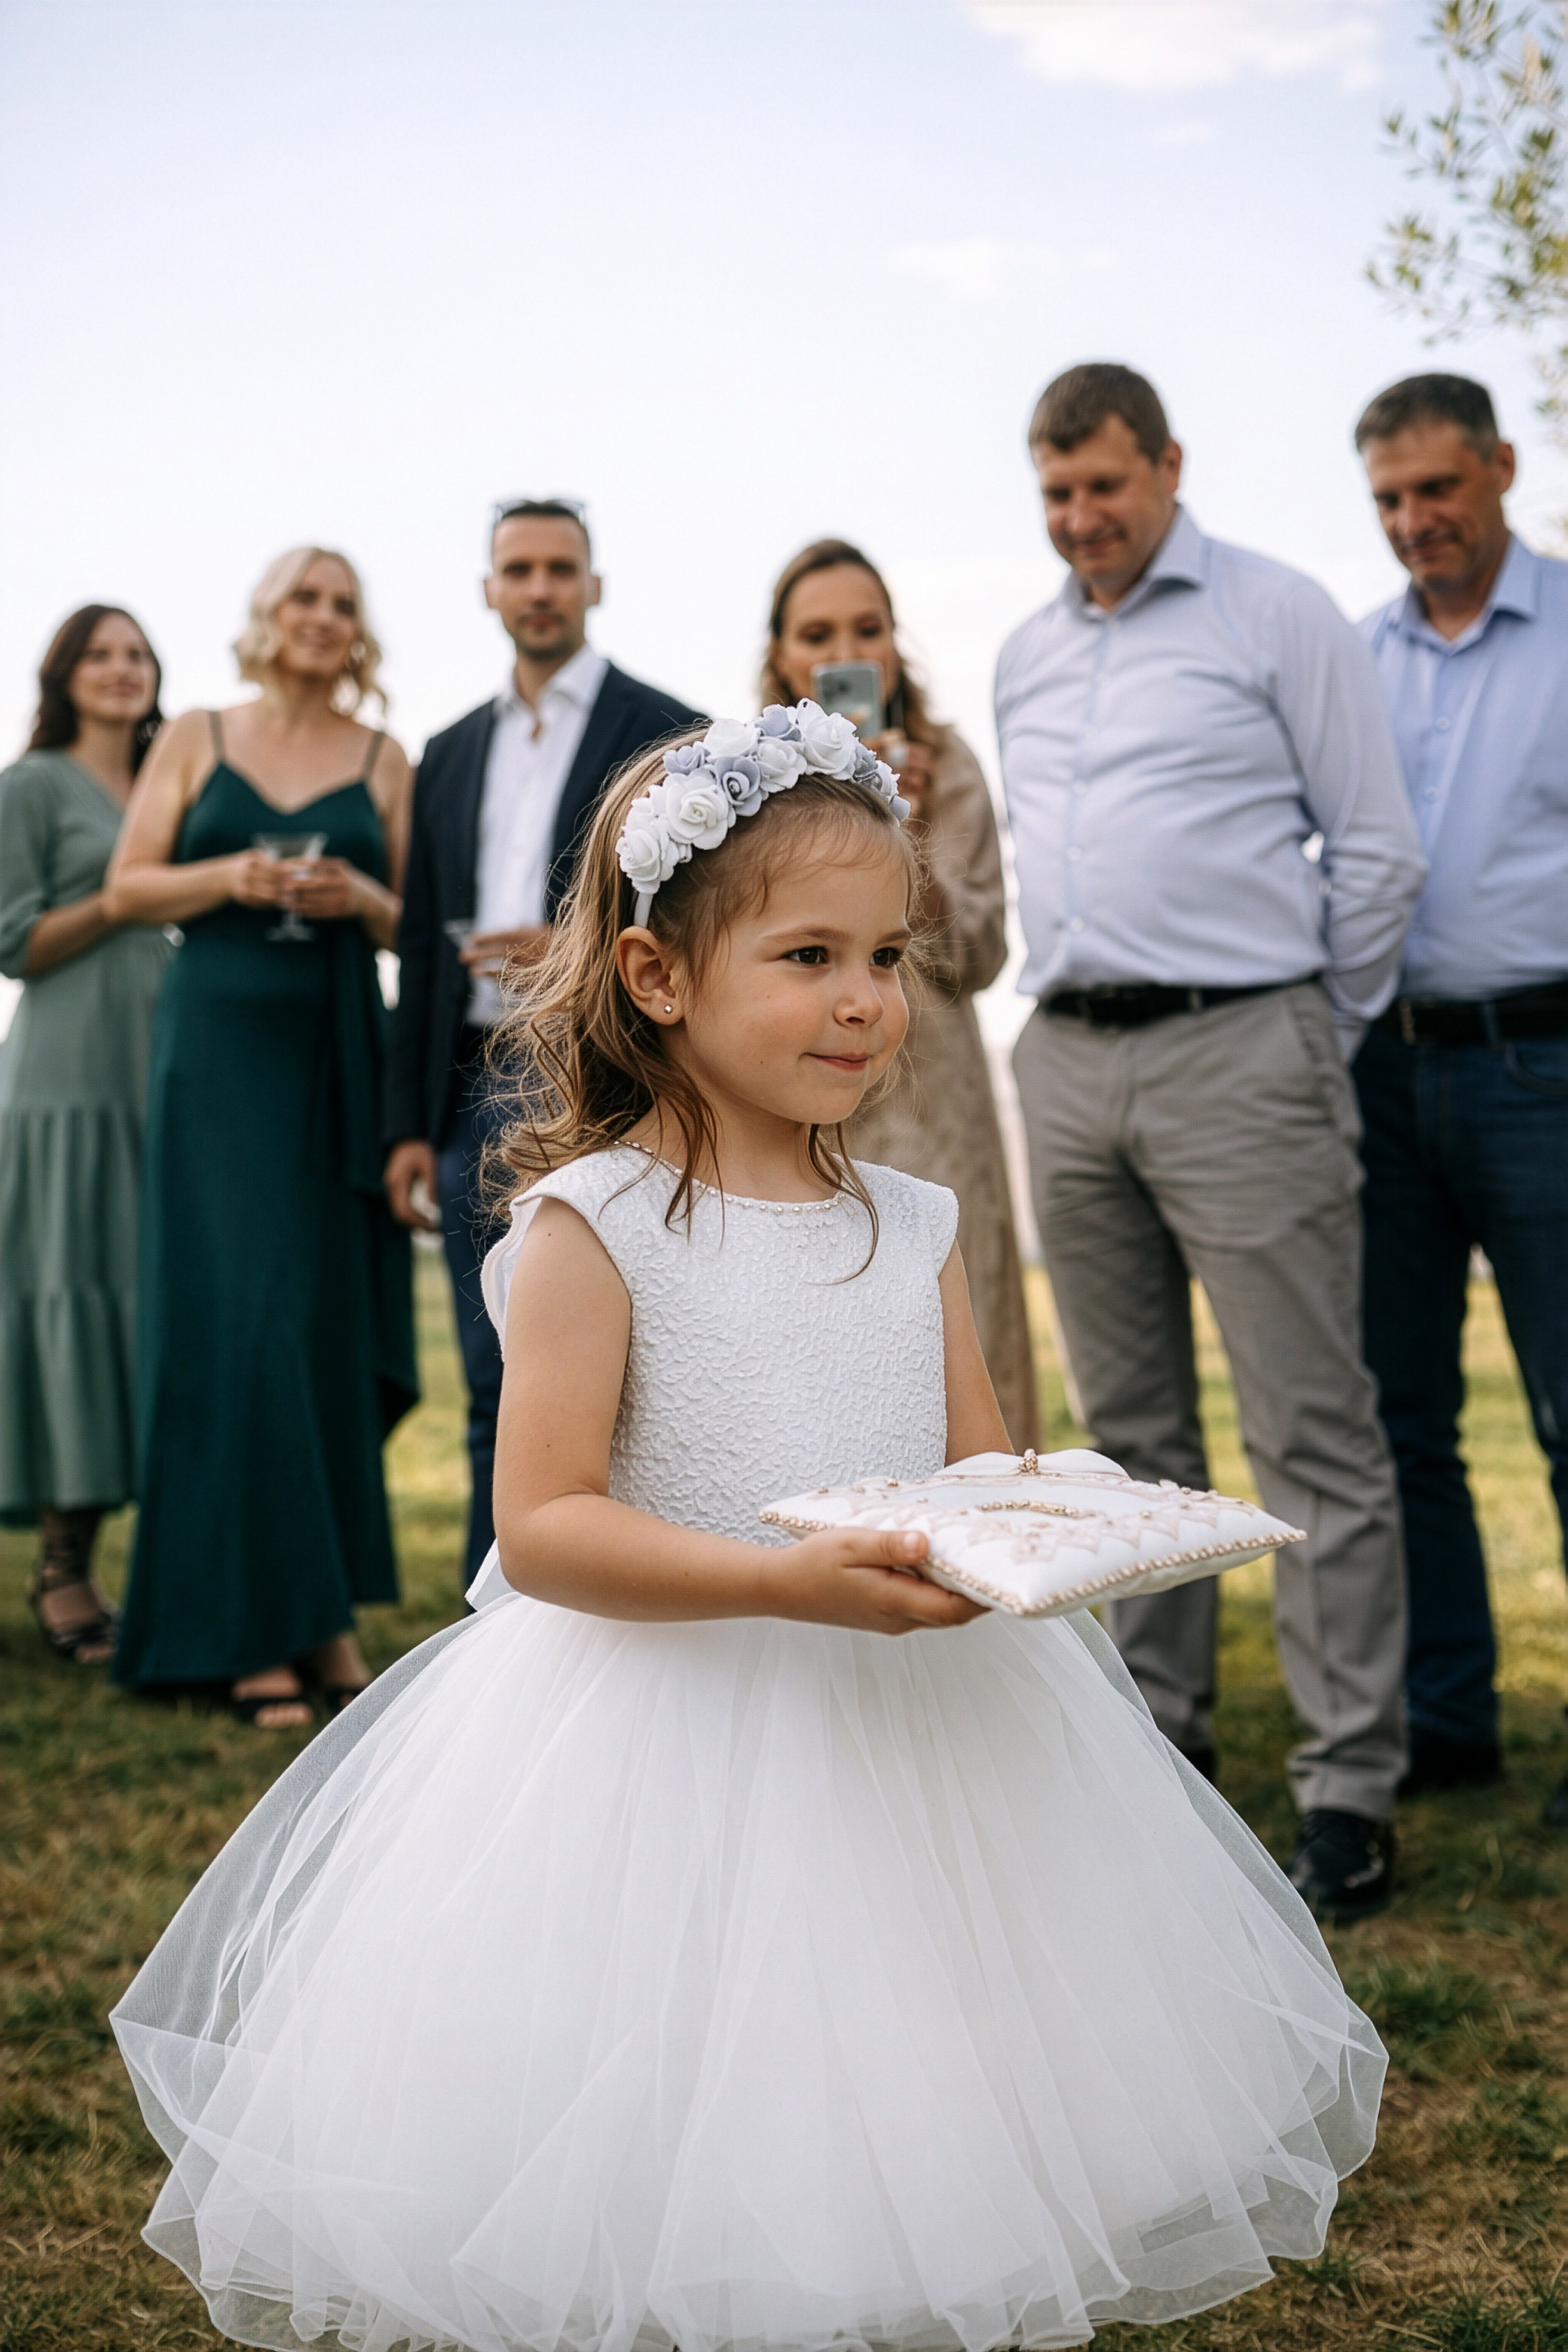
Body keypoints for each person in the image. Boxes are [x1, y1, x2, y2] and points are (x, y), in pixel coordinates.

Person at [113, 701, 1383, 2352]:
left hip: (924, 1734)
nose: (864, 998)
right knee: (694, 2116)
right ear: (658, 977)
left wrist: (1058, 1516)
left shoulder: (908, 1220)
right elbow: (549, 1526)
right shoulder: (598, 1223)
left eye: (886, 956)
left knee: (923, 2089)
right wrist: (785, 1584)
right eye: (806, 956)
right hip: (663, 1741)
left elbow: (970, 1467)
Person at [997, 361, 1429, 1922]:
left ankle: (1346, 1790)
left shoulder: (1275, 609)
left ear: (1166, 466)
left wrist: (1310, 1023)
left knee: (1309, 1430)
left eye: (1103, 487)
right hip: (1067, 1056)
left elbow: (1373, 848)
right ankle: (1157, 1759)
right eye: (1054, 495)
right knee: (1125, 1444)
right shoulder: (1024, 653)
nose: (1079, 519)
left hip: (1245, 1045)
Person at [105, 547, 419, 1728]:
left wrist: (363, 902)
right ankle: (249, 1635)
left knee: (318, 1323)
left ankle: (322, 1620)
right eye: (304, 597)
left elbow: (416, 926)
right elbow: (129, 886)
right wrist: (230, 872)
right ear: (266, 616)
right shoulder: (197, 733)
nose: (323, 617)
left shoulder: (388, 760)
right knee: (238, 1323)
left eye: (344, 602)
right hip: (218, 1058)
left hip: (337, 1056)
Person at [385, 498, 701, 1587]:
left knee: (634, 1379)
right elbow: (424, 953)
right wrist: (410, 1127)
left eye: (559, 568)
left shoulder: (667, 728)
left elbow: (698, 914)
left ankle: (624, 1590)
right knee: (491, 1373)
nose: (538, 587)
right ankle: (499, 1634)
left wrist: (570, 945)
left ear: (593, 584)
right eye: (517, 568)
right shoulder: (446, 751)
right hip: (478, 1089)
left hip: (609, 1073)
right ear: (489, 589)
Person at [1354, 374, 1568, 1827]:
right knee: (1401, 1414)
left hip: (1541, 1063)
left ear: (1497, 466)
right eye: (1385, 500)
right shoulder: (1352, 653)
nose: (1412, 522)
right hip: (1381, 1068)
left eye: (1435, 489)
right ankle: (1447, 1716)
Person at [761, 538, 1038, 1449]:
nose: (846, 651)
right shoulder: (746, 779)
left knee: (964, 1337)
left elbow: (979, 954)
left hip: (932, 1098)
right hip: (798, 1101)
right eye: (818, 632)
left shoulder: (945, 763)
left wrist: (905, 833)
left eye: (867, 628)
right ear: (781, 656)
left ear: (893, 643)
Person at [0, 606, 171, 1664]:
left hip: (159, 1068)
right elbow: (15, 942)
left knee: (131, 1302)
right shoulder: (33, 786)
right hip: (64, 1079)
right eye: (100, 656)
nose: (122, 672)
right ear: (65, 676)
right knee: (65, 1290)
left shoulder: (163, 783)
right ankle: (63, 1565)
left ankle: (136, 1556)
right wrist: (130, 894)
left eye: (138, 656)